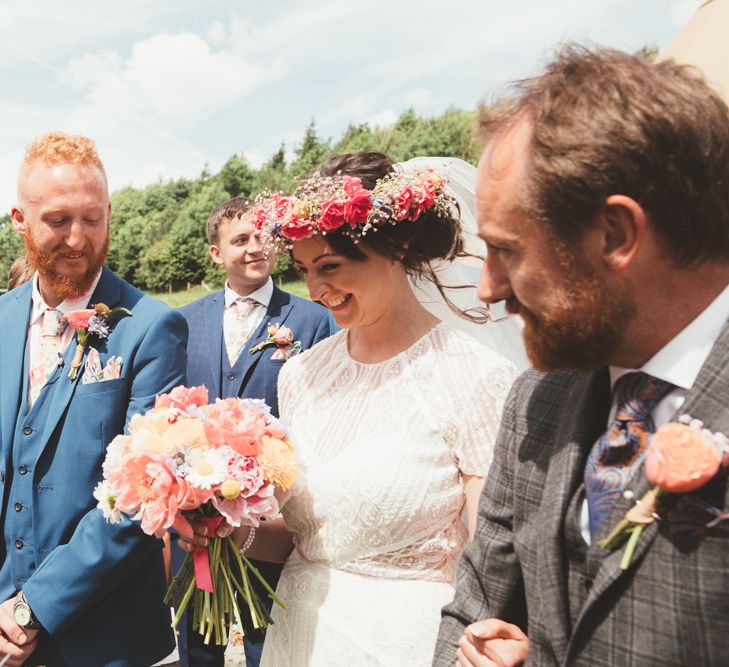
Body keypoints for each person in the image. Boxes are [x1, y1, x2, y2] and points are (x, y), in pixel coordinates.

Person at [433, 46, 729, 667]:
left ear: (615, 235)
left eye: (506, 250)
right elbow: (477, 610)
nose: (487, 288)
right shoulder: (537, 401)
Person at [179, 151, 523, 666]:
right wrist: (227, 528)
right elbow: (306, 538)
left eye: (330, 266)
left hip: (406, 643)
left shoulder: (472, 375)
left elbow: (493, 559)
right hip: (296, 636)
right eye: (302, 270)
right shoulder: (302, 375)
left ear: (397, 247)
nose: (315, 291)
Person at [0, 132, 187, 667]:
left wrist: (30, 608)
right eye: (58, 220)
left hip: (109, 641)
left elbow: (143, 497)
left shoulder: (152, 328)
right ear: (20, 219)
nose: (78, 239)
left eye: (93, 219)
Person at [171, 196, 334, 667]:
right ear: (216, 253)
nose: (255, 247)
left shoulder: (311, 319)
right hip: (199, 515)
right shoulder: (183, 320)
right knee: (197, 643)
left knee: (271, 639)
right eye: (240, 239)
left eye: (262, 237)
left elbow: (321, 416)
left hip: (273, 517)